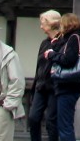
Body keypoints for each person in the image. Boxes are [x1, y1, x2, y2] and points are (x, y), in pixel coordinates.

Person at [46, 12, 80, 141]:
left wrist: (51, 55)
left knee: (65, 126)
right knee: (64, 124)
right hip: (70, 87)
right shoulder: (74, 38)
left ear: (66, 24)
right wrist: (55, 45)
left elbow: (68, 60)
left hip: (68, 86)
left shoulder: (73, 38)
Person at [29, 10, 62, 141]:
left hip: (55, 86)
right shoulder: (44, 43)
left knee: (51, 121)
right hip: (41, 85)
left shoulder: (62, 42)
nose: (41, 26)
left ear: (51, 24)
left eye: (43, 23)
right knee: (33, 117)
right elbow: (39, 66)